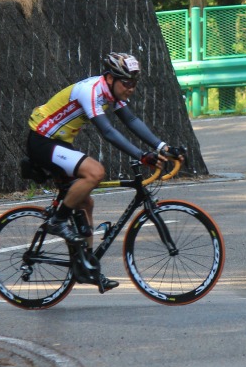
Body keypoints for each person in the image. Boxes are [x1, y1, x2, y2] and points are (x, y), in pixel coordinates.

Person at [26, 52, 183, 290]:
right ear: (110, 78)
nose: (131, 88)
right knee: (95, 172)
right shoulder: (91, 90)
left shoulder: (111, 93)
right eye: (127, 82)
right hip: (42, 140)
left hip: (59, 143)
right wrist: (141, 155)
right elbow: (108, 132)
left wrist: (163, 147)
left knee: (85, 204)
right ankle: (57, 221)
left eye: (134, 83)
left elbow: (131, 121)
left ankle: (86, 266)